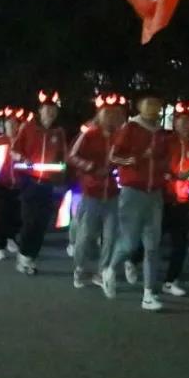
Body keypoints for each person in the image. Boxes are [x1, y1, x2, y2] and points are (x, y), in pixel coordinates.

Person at [101, 92, 170, 312]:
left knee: (152, 245)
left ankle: (148, 294)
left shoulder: (161, 132)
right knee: (130, 243)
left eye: (156, 103)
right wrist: (139, 157)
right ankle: (110, 269)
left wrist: (169, 173)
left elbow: (164, 159)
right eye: (148, 103)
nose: (153, 107)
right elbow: (114, 157)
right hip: (133, 192)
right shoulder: (131, 128)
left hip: (155, 193)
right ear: (140, 106)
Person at [67, 96, 125, 289]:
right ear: (99, 114)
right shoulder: (89, 134)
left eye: (115, 113)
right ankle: (79, 268)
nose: (111, 116)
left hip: (114, 194)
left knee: (110, 236)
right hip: (91, 193)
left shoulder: (121, 136)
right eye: (107, 112)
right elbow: (72, 156)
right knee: (86, 235)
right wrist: (92, 168)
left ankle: (102, 272)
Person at [11, 91, 68, 276]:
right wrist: (24, 160)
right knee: (30, 221)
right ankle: (23, 256)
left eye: (53, 109)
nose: (50, 112)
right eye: (47, 109)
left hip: (48, 183)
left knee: (42, 223)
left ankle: (31, 257)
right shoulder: (28, 128)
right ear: (40, 110)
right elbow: (14, 150)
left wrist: (62, 170)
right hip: (29, 181)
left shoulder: (59, 132)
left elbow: (63, 156)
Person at [157, 103, 189, 297]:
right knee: (153, 239)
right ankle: (132, 259)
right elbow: (157, 167)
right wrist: (174, 177)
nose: (186, 125)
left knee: (180, 243)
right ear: (175, 123)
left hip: (182, 201)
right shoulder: (166, 142)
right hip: (163, 199)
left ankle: (171, 280)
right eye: (182, 121)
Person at [0, 110, 24, 260]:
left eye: (14, 125)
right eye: (9, 126)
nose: (11, 128)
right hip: (1, 185)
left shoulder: (23, 142)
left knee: (16, 216)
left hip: (19, 186)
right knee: (1, 216)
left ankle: (11, 238)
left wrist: (23, 161)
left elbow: (30, 163)